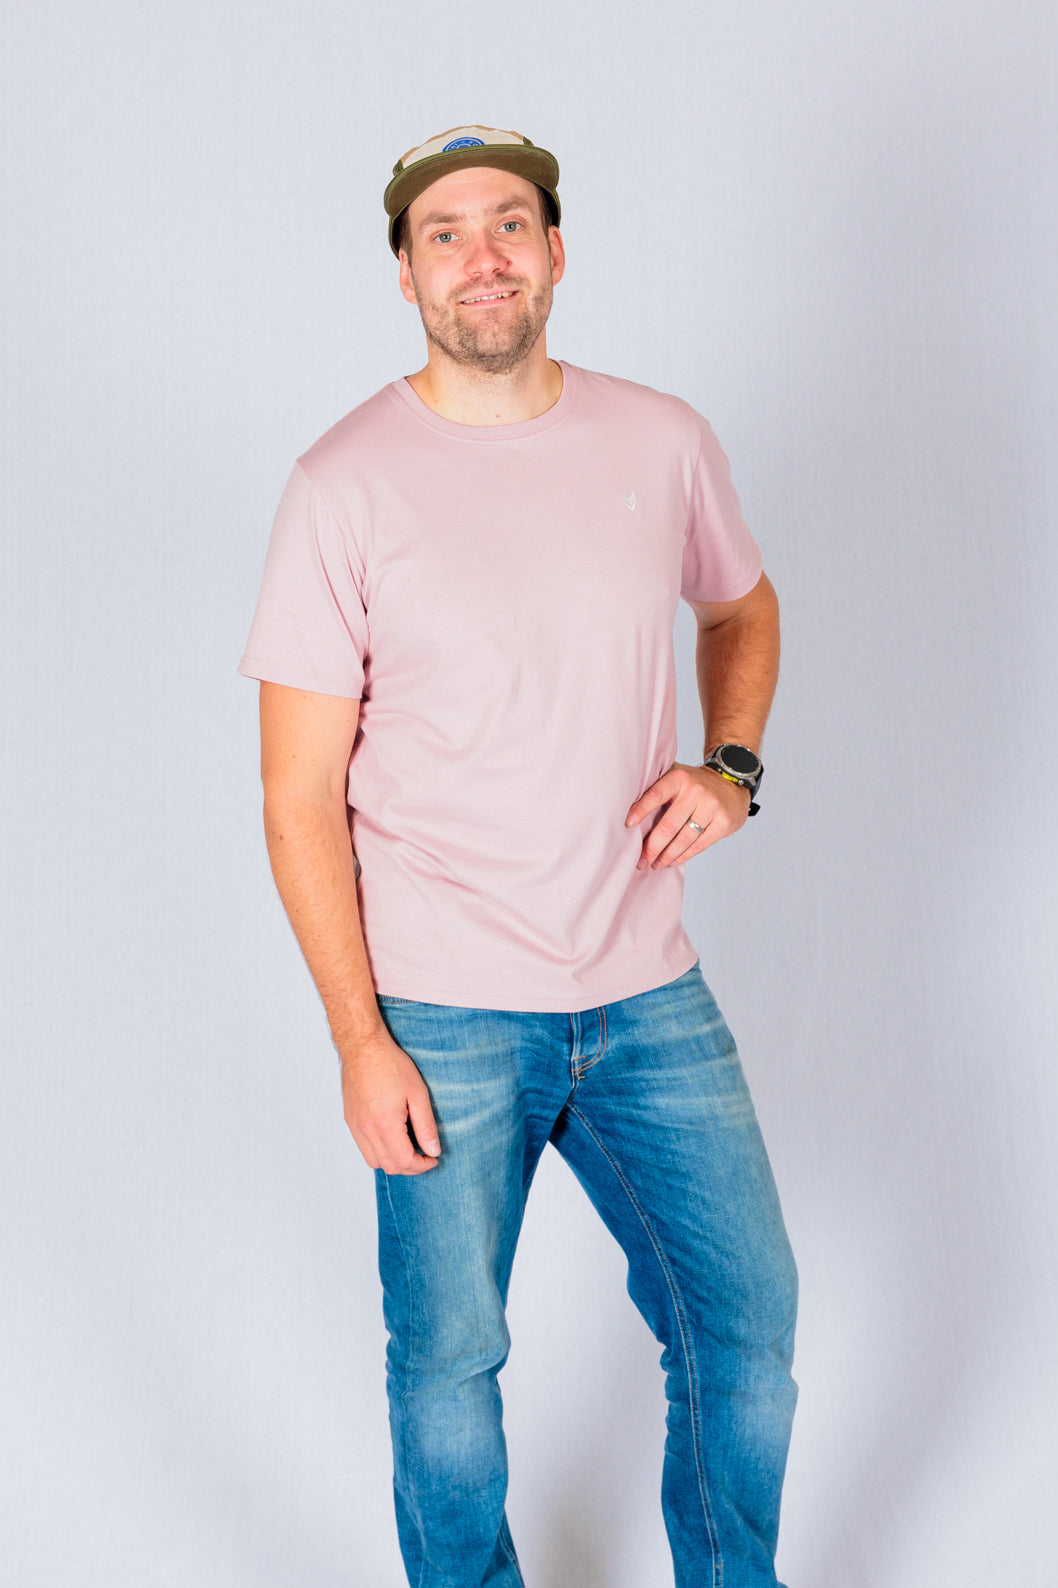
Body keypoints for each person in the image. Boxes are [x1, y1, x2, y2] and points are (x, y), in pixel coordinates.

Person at [239, 123, 798, 1588]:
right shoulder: (342, 484)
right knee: (447, 1365)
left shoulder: (659, 439)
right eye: (442, 232)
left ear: (553, 253)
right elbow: (298, 797)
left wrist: (729, 766)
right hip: (439, 1009)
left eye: (507, 225)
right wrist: (361, 1040)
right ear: (404, 273)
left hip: (644, 989)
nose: (479, 255)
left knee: (743, 1331)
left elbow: (740, 608)